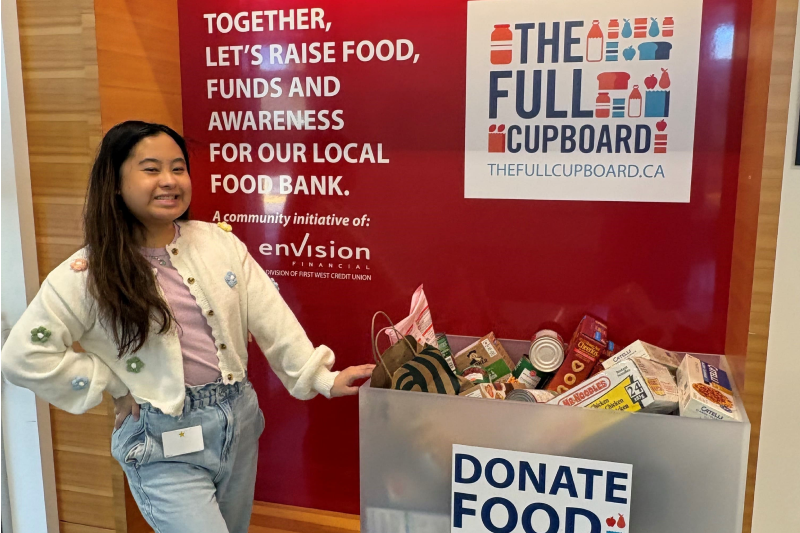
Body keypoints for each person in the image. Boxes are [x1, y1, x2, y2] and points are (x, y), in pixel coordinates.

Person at [1, 121, 374, 532]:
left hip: (238, 421)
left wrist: (321, 376)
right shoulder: (87, 271)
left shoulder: (218, 242)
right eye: (151, 169)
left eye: (178, 168)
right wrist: (111, 382)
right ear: (116, 183)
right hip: (161, 439)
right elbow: (23, 357)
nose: (169, 181)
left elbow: (271, 316)